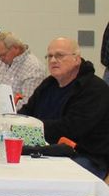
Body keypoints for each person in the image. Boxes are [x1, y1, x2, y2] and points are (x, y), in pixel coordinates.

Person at [18, 37, 109, 176]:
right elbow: (26, 112)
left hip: (84, 156)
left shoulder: (94, 89)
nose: (53, 60)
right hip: (46, 150)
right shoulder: (48, 84)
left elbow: (72, 128)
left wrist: (33, 126)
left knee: (42, 176)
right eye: (49, 56)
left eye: (59, 55)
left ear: (77, 59)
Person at [0, 32, 46, 105]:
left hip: (9, 115)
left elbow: (27, 105)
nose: (0, 59)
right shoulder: (0, 59)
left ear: (16, 48)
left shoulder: (34, 69)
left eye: (3, 55)